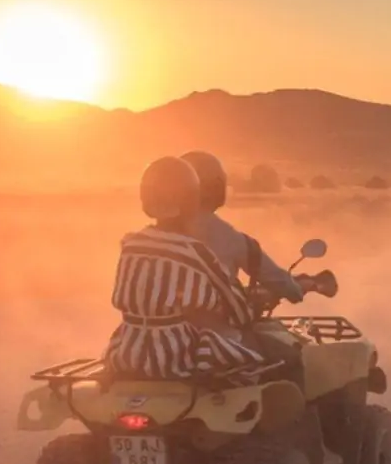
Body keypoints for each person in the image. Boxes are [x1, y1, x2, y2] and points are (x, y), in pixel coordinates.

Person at [103, 156, 269, 384]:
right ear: (191, 200)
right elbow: (235, 307)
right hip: (175, 358)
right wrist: (248, 308)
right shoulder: (193, 251)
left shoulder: (130, 245)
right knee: (262, 361)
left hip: (127, 352)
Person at [180, 150, 306, 304]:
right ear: (218, 188)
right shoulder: (232, 239)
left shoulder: (150, 237)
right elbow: (283, 284)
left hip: (157, 324)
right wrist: (296, 289)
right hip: (218, 325)